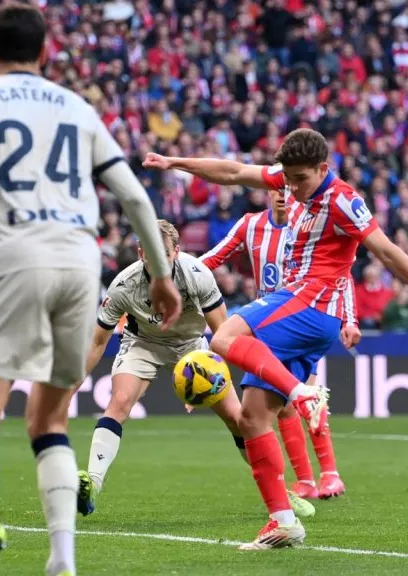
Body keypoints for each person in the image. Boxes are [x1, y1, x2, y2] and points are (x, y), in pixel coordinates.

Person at [0, 5, 182, 576]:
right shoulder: (78, 107)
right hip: (81, 266)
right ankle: (62, 561)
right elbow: (136, 199)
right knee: (48, 419)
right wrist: (163, 276)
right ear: (46, 51)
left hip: (13, 258)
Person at [149, 129, 408, 549]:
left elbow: (387, 249)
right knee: (253, 417)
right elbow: (232, 172)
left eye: (300, 179)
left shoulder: (343, 199)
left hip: (311, 304)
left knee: (224, 336)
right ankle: (283, 522)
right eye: (286, 178)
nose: (290, 187)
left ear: (323, 169)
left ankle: (303, 395)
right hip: (307, 314)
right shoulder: (288, 179)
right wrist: (175, 163)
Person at [77, 219, 317, 518]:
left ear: (176, 252)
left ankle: (281, 493)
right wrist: (72, 382)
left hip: (192, 347)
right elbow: (98, 342)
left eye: (162, 253)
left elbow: (224, 336)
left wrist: (207, 382)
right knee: (119, 403)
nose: (156, 261)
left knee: (239, 419)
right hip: (143, 343)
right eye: (149, 253)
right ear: (141, 253)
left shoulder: (197, 276)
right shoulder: (123, 286)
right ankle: (91, 484)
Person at [151, 157, 354, 500]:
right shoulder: (249, 226)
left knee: (303, 392)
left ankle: (329, 475)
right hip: (265, 324)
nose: (280, 195)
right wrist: (171, 281)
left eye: (284, 189)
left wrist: (350, 317)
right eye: (274, 188)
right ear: (266, 192)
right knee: (280, 406)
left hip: (302, 317)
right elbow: (211, 260)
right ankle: (304, 482)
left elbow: (340, 270)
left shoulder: (308, 226)